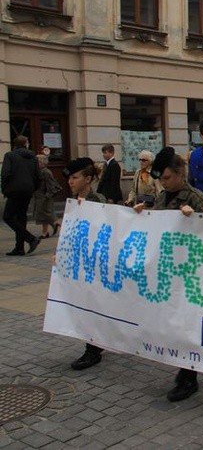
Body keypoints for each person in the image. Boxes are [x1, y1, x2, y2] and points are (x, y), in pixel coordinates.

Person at [135, 147, 203, 401]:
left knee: (186, 324)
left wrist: (195, 218)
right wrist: (140, 217)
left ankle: (189, 376)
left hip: (190, 274)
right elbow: (156, 226)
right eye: (161, 180)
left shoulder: (196, 198)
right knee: (173, 322)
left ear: (180, 173)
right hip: (168, 272)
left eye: (167, 178)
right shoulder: (162, 198)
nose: (164, 183)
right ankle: (185, 371)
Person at [66, 157, 109, 370]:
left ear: (88, 179)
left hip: (96, 265)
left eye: (75, 177)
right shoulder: (73, 202)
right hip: (80, 264)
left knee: (94, 303)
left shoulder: (98, 202)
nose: (70, 182)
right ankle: (96, 344)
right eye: (70, 178)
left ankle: (93, 350)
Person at [1, 135, 41, 256]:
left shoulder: (10, 155)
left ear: (15, 145)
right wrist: (33, 188)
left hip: (14, 190)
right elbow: (38, 175)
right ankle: (19, 248)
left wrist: (4, 189)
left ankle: (30, 239)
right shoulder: (33, 157)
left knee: (8, 217)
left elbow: (5, 174)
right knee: (21, 217)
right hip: (28, 190)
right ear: (26, 144)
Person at [33, 154, 62, 238]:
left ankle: (58, 225)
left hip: (44, 196)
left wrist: (47, 195)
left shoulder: (46, 172)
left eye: (37, 162)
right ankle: (45, 232)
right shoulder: (39, 171)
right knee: (43, 215)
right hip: (39, 195)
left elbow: (51, 184)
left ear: (41, 162)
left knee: (47, 214)